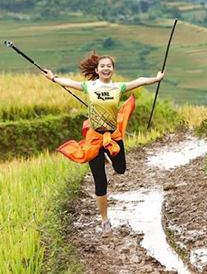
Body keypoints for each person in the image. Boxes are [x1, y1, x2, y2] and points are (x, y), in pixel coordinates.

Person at [43, 52, 165, 234]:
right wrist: (54, 78)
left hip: (113, 136)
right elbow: (70, 82)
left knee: (121, 169)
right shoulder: (89, 86)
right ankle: (105, 220)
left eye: (109, 66)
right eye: (103, 66)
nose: (106, 68)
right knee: (100, 181)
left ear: (113, 70)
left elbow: (139, 81)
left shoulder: (118, 87)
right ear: (97, 70)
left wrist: (156, 79)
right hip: (94, 139)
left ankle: (109, 156)